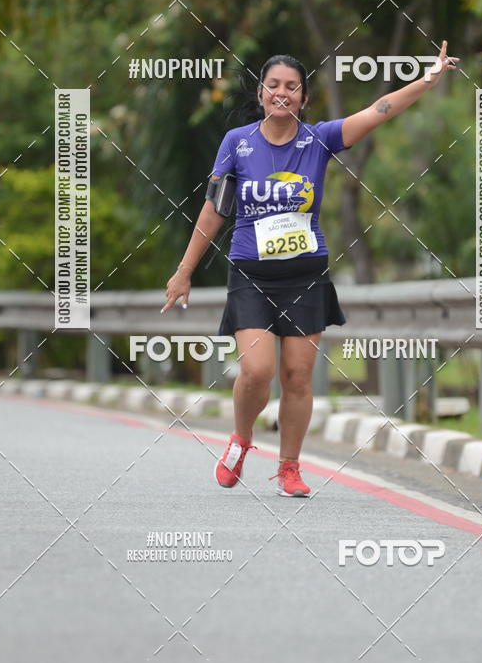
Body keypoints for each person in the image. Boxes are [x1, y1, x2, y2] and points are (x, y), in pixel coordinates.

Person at [162, 43, 460, 497]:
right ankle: (241, 440)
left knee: (298, 376)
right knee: (257, 371)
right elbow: (213, 211)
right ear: (261, 93)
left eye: (292, 87)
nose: (282, 93)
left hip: (305, 276)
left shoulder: (319, 139)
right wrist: (183, 271)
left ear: (303, 98)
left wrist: (428, 79)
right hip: (251, 274)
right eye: (274, 85)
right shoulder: (236, 143)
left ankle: (289, 467)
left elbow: (378, 111)